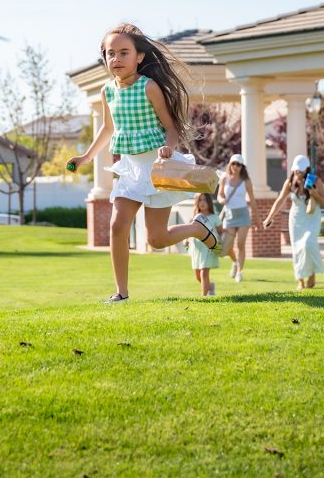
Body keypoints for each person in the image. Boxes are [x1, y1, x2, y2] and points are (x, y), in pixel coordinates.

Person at [67, 23, 223, 303]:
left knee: (157, 240)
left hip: (158, 169)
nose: (116, 59)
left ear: (139, 56)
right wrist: (85, 157)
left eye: (123, 52)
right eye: (110, 53)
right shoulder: (108, 92)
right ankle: (121, 293)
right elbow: (107, 129)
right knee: (118, 225)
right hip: (129, 169)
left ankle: (199, 228)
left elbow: (171, 126)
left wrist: (168, 147)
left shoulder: (149, 87)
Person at [262, 155, 324, 290]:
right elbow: (280, 200)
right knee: (297, 249)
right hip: (296, 218)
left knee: (308, 244)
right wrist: (269, 217)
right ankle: (300, 279)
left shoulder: (315, 180)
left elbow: (323, 203)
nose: (298, 172)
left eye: (301, 170)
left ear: (307, 169)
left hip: (312, 216)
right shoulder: (290, 181)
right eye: (297, 169)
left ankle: (312, 273)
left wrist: (314, 193)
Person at [217, 153, 257, 282]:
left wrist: (257, 219)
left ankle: (239, 272)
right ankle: (235, 262)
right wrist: (222, 200)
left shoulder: (246, 181)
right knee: (226, 246)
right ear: (230, 164)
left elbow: (252, 200)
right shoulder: (224, 178)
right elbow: (219, 195)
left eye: (238, 164)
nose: (235, 166)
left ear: (242, 167)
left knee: (240, 244)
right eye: (233, 164)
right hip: (229, 215)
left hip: (243, 215)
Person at [187, 193, 222, 296]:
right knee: (198, 275)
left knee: (204, 273)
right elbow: (189, 231)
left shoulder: (214, 217)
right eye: (200, 200)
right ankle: (210, 286)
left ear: (209, 202)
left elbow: (220, 231)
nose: (202, 203)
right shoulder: (195, 218)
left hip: (208, 249)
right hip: (197, 250)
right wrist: (186, 240)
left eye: (205, 200)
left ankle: (203, 297)